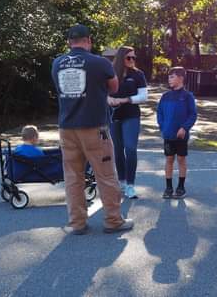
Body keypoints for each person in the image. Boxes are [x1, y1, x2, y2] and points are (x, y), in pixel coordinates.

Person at [51, 24, 133, 235]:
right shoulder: (99, 62)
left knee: (73, 176)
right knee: (105, 174)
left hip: (67, 128)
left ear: (69, 42)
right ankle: (113, 220)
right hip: (94, 127)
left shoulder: (57, 63)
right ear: (88, 40)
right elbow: (114, 87)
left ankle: (77, 223)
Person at [108, 46, 148, 199]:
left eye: (134, 58)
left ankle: (131, 185)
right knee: (117, 150)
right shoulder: (110, 73)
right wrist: (108, 99)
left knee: (130, 149)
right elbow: (101, 91)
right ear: (120, 58)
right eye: (128, 58)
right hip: (113, 116)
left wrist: (125, 100)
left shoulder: (138, 74)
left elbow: (143, 96)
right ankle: (122, 182)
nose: (132, 60)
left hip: (131, 115)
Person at [156, 67, 197, 200]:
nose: (169, 79)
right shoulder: (165, 96)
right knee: (169, 159)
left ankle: (181, 187)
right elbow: (160, 113)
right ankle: (168, 187)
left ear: (181, 78)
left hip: (181, 135)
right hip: (168, 135)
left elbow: (193, 114)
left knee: (181, 159)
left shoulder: (187, 96)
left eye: (172, 77)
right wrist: (162, 127)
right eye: (169, 77)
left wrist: (184, 128)